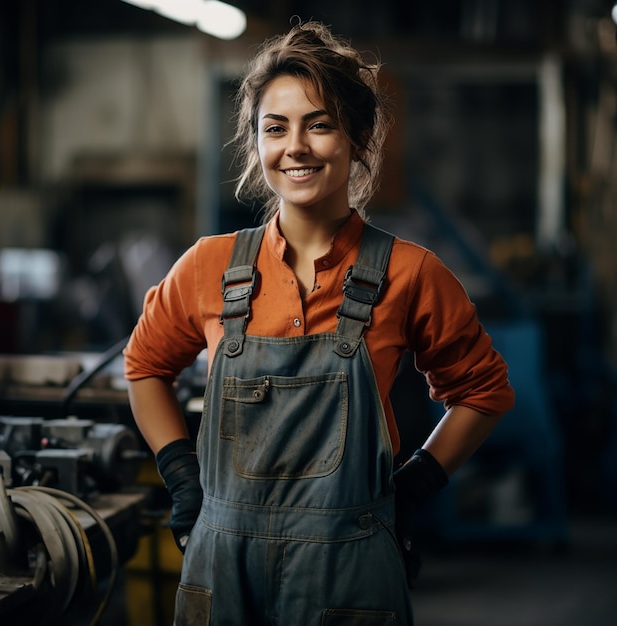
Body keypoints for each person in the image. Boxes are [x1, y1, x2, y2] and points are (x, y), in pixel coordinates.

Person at [124, 19, 514, 626]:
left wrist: (415, 487)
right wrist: (181, 477)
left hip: (350, 571)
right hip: (223, 565)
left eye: (320, 124)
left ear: (358, 138)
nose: (295, 147)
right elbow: (144, 365)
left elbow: (484, 391)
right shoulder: (207, 267)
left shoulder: (412, 274)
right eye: (275, 128)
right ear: (256, 143)